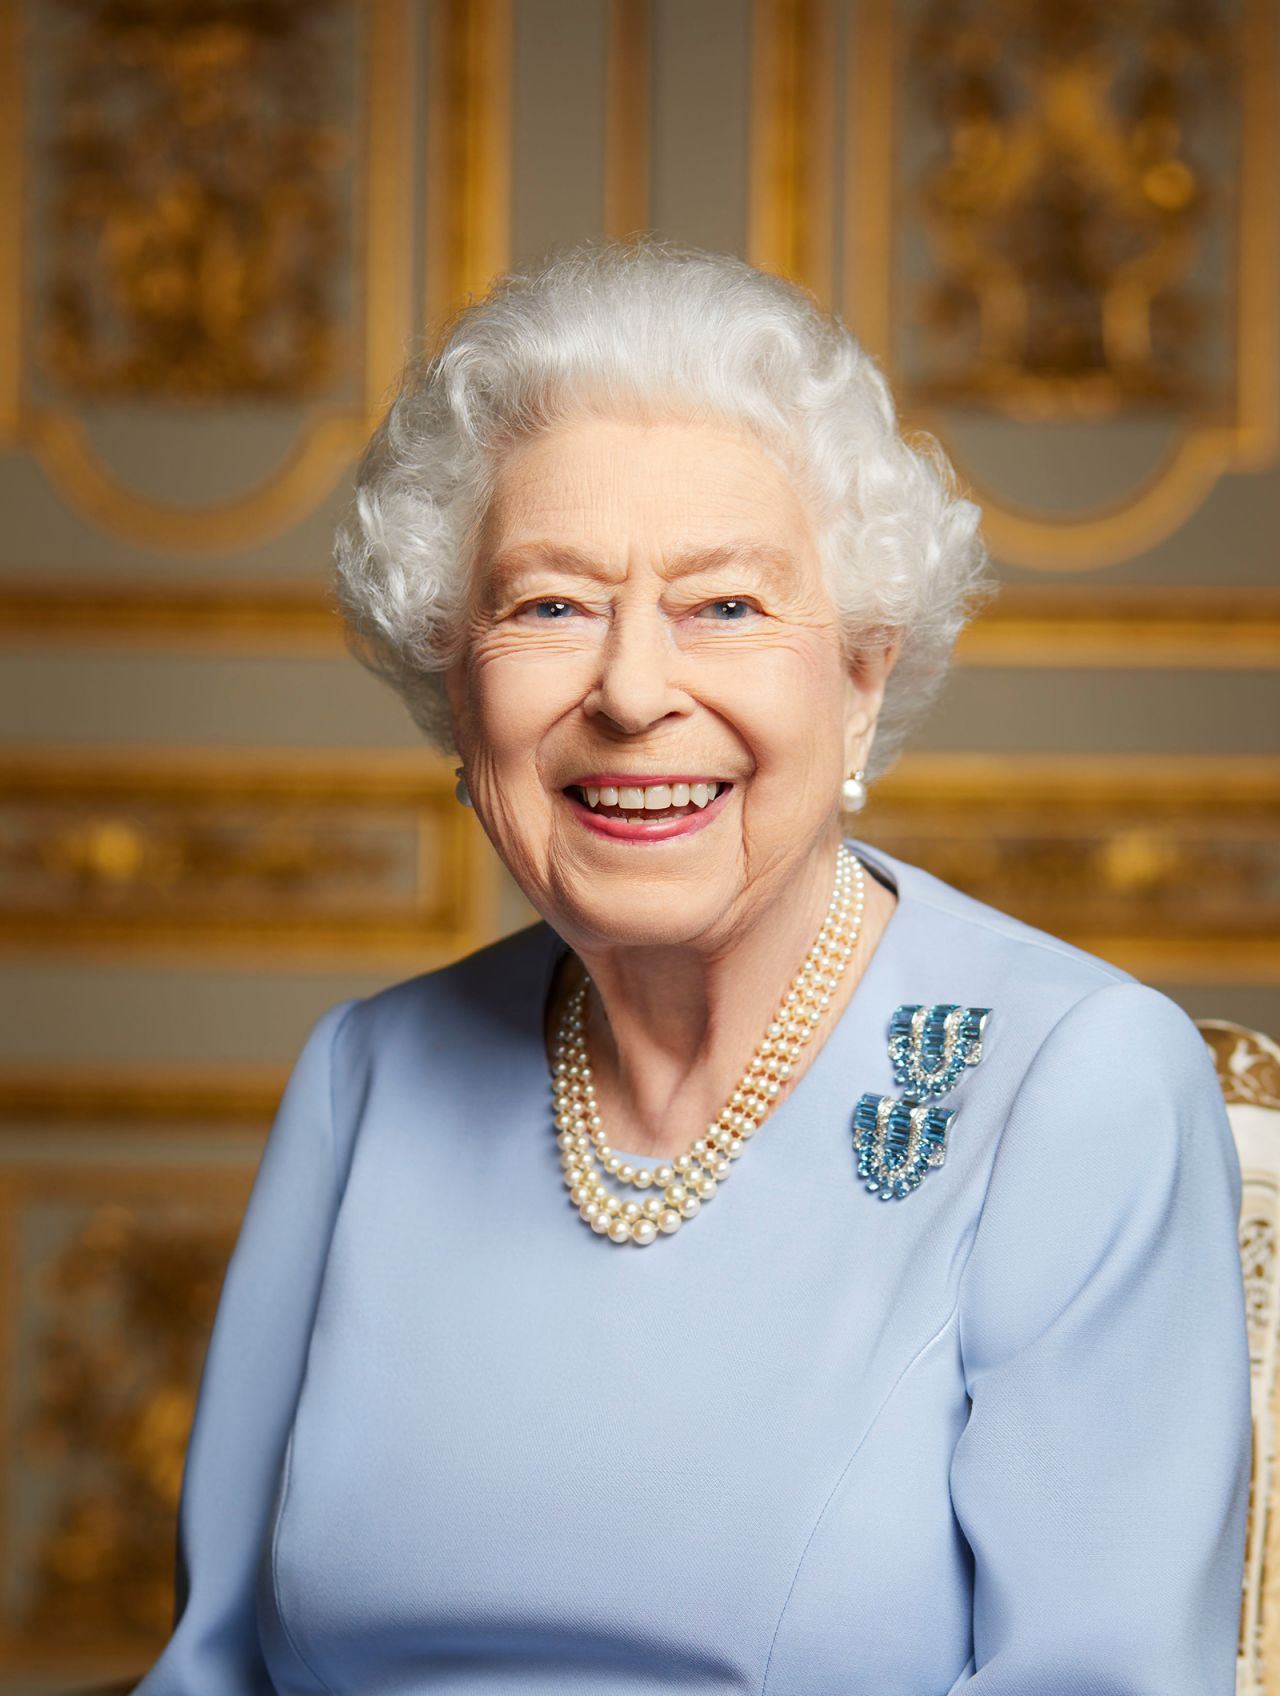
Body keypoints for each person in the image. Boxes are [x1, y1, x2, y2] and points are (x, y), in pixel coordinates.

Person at [134, 240, 1251, 1695]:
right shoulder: (366, 1075)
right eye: (550, 606)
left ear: (858, 681)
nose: (635, 690)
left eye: (723, 605)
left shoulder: (1078, 1082)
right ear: (455, 685)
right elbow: (212, 1667)